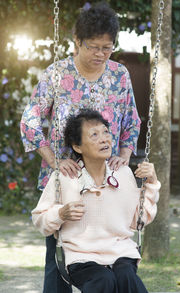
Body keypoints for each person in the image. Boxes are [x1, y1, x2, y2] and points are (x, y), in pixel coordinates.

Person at [20, 2, 141, 293]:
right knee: (60, 258)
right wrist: (53, 161)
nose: (101, 54)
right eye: (94, 47)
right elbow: (30, 121)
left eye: (107, 47)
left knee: (111, 258)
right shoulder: (57, 74)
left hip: (106, 180)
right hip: (67, 180)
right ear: (77, 42)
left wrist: (124, 155)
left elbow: (131, 120)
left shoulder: (119, 76)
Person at [32, 109, 160, 293]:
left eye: (105, 132)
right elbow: (39, 220)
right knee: (103, 280)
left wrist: (152, 183)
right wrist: (60, 214)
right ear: (78, 147)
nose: (104, 139)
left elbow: (138, 220)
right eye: (94, 134)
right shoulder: (65, 178)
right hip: (81, 257)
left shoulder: (123, 174)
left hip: (120, 253)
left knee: (127, 277)